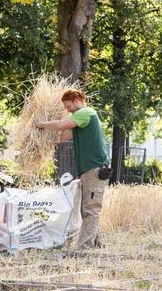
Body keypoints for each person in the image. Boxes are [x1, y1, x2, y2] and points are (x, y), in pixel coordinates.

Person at [35, 89, 109, 249]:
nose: (67, 110)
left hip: (94, 168)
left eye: (68, 106)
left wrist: (40, 125)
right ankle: (96, 245)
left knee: (91, 209)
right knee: (88, 208)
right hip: (89, 169)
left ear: (76, 100)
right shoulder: (79, 121)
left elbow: (61, 125)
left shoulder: (86, 113)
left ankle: (85, 248)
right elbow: (64, 137)